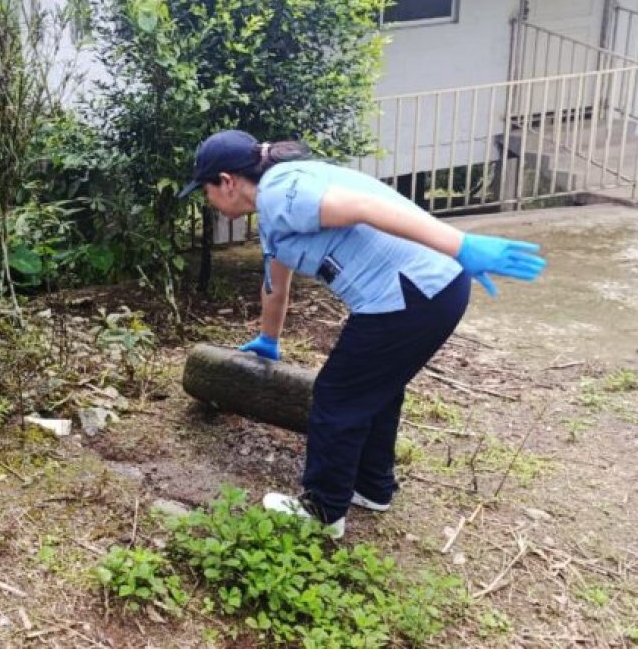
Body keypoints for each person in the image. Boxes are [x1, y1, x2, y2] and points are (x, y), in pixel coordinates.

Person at [177, 130, 546, 538]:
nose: (208, 200)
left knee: (337, 396)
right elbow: (275, 285)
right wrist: (269, 341)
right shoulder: (276, 209)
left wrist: (459, 244)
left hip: (411, 294)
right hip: (435, 290)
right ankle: (372, 487)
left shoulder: (281, 193)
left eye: (206, 190)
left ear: (227, 181)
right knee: (376, 388)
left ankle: (323, 510)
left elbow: (365, 207)